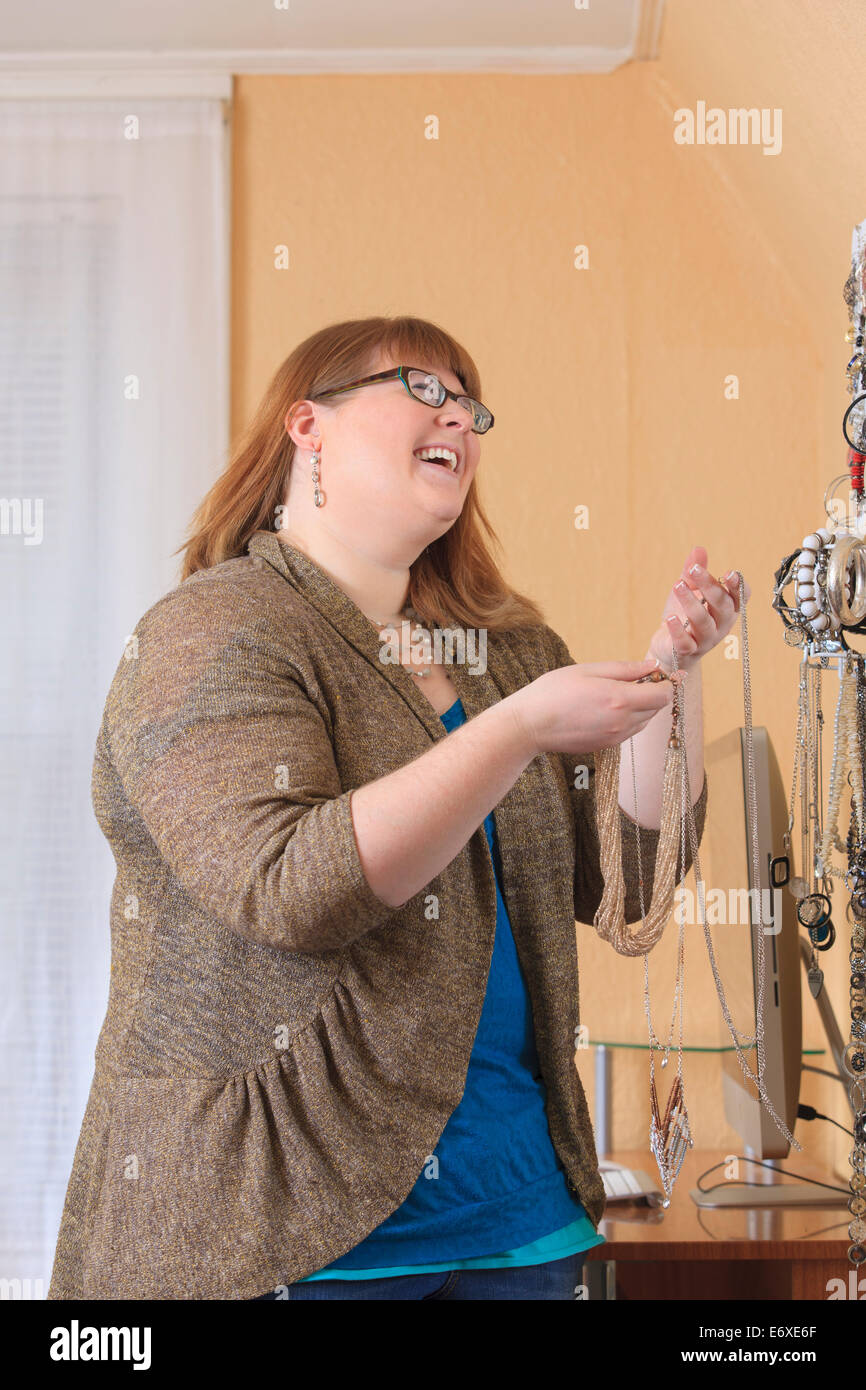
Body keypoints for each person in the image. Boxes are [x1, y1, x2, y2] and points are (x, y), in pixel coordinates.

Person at [47, 315, 737, 1302]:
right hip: (286, 1232)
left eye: (471, 404)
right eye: (423, 390)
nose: (459, 414)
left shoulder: (504, 653)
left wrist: (672, 677)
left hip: (518, 1215)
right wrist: (511, 734)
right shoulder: (208, 631)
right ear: (306, 427)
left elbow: (626, 888)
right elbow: (290, 891)